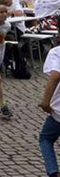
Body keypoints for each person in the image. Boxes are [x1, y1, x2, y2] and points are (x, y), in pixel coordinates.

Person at [39, 43, 60, 177]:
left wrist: (45, 102)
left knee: (45, 138)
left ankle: (53, 172)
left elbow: (55, 75)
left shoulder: (57, 52)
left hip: (58, 111)